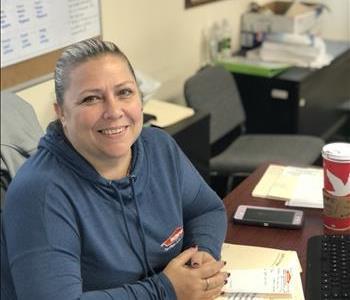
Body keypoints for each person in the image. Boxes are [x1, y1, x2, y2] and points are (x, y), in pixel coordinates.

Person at [1, 38, 228, 300]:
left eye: (124, 92)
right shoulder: (40, 193)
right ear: (61, 113)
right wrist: (165, 290)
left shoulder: (158, 147)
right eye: (91, 99)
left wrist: (203, 256)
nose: (113, 111)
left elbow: (206, 209)